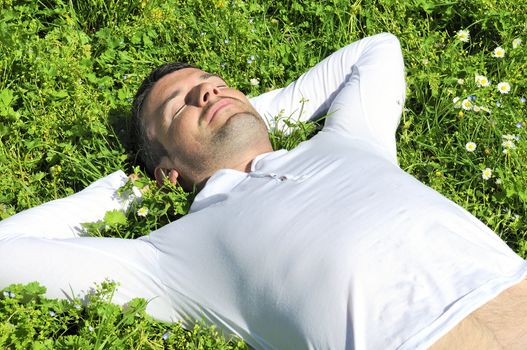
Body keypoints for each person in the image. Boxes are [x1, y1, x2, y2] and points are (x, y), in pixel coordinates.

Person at [1, 33, 526, 349]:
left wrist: (242, 111)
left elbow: (376, 50)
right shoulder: (173, 259)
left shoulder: (349, 140)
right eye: (180, 105)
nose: (209, 88)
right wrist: (132, 186)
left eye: (213, 80)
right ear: (165, 171)